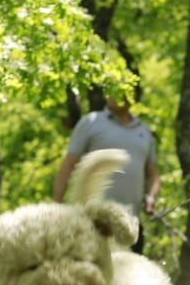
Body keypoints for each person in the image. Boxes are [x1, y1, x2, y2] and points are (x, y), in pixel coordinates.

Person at [54, 93, 162, 254]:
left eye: (124, 89)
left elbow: (153, 174)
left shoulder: (144, 131)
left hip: (131, 224)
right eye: (113, 88)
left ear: (134, 95)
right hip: (91, 221)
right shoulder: (90, 122)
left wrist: (151, 196)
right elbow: (69, 164)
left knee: (129, 277)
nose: (118, 94)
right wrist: (56, 205)